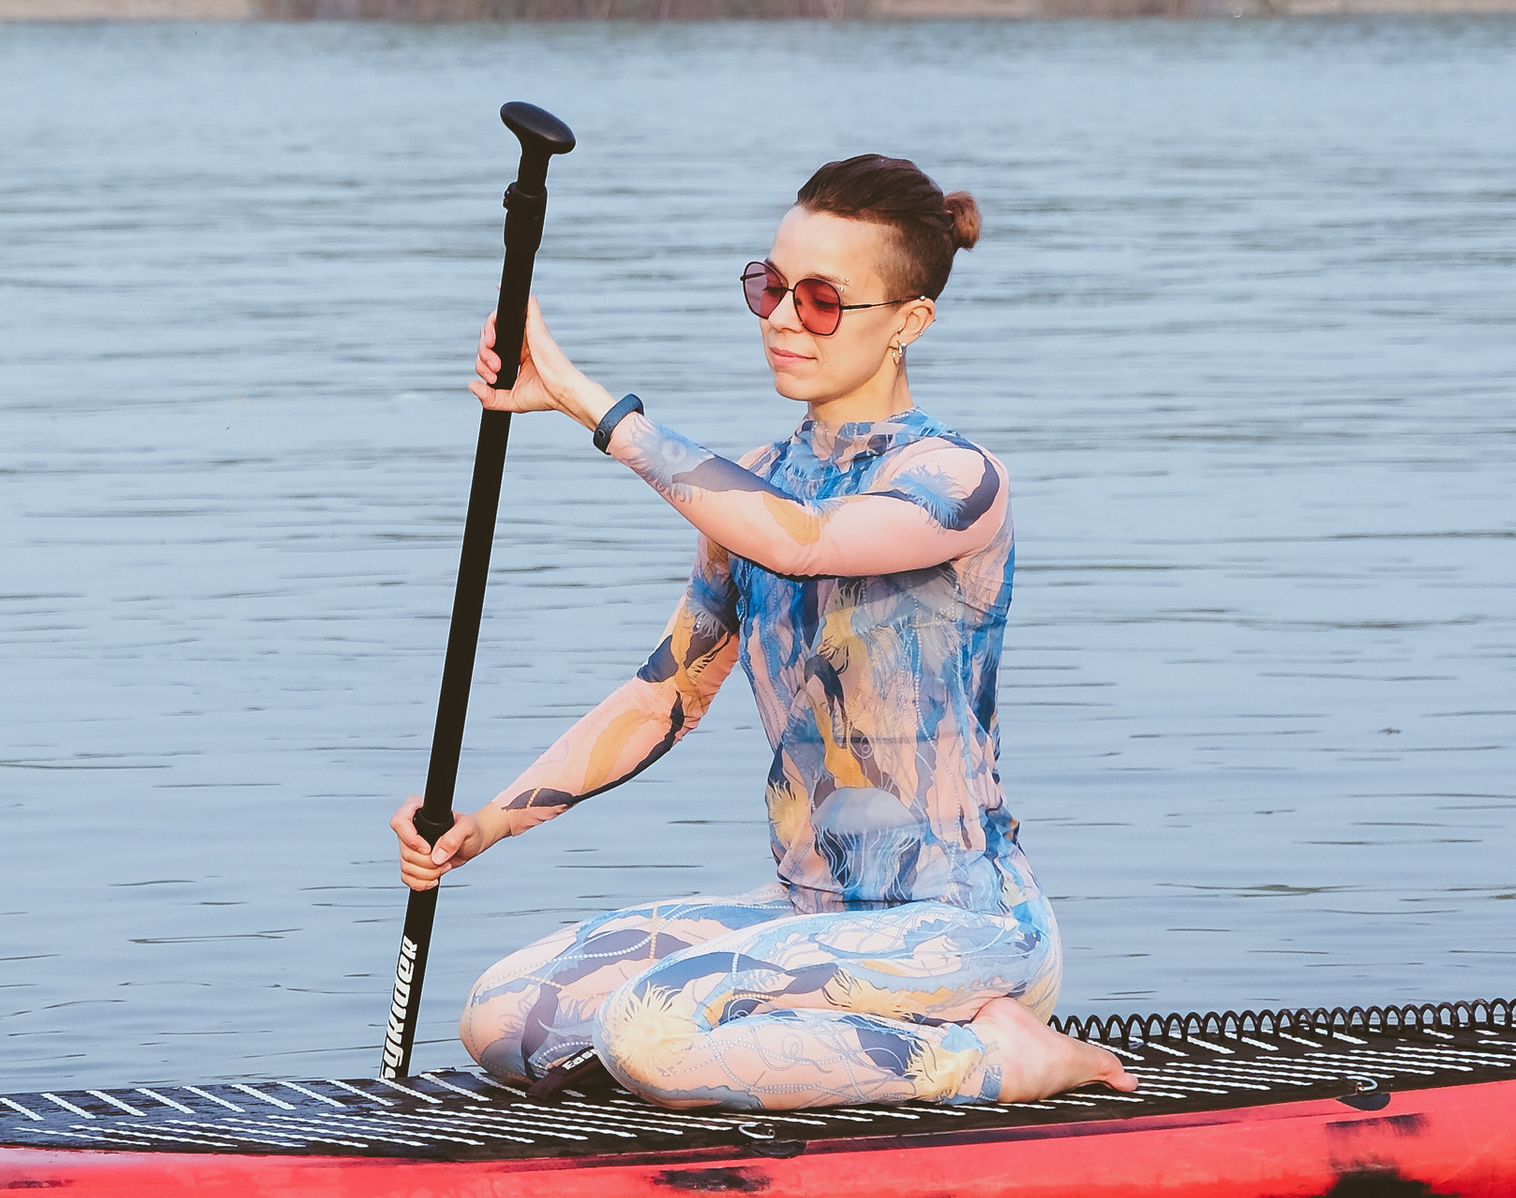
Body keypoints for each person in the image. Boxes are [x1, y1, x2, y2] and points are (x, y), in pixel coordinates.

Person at [389, 151, 1131, 1111]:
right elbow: (669, 693)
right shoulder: (750, 481)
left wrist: (582, 399)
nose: (783, 318)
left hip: (962, 925)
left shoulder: (957, 480)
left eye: (822, 300)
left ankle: (1000, 1058)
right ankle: (831, 1046)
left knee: (647, 1030)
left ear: (909, 322)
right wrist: (481, 825)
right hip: (809, 914)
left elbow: (808, 543)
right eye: (770, 286)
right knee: (501, 1020)